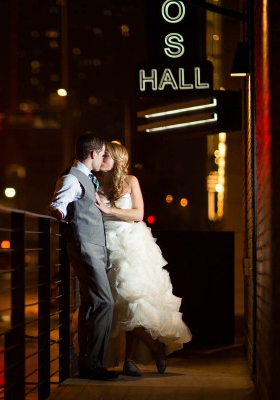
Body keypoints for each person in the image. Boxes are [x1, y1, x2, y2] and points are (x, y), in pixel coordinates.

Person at [94, 141, 192, 377]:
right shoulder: (95, 182)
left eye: (106, 155)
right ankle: (152, 348)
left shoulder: (131, 181)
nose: (101, 158)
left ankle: (131, 360)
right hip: (105, 246)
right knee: (117, 305)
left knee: (130, 301)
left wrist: (109, 211)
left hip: (130, 245)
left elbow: (138, 213)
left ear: (116, 159)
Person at [49, 134, 118, 380]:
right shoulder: (71, 178)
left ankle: (86, 360)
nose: (103, 158)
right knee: (105, 302)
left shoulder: (87, 179)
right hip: (84, 246)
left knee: (92, 303)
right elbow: (58, 203)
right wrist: (59, 210)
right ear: (93, 154)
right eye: (102, 154)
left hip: (93, 246)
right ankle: (94, 363)